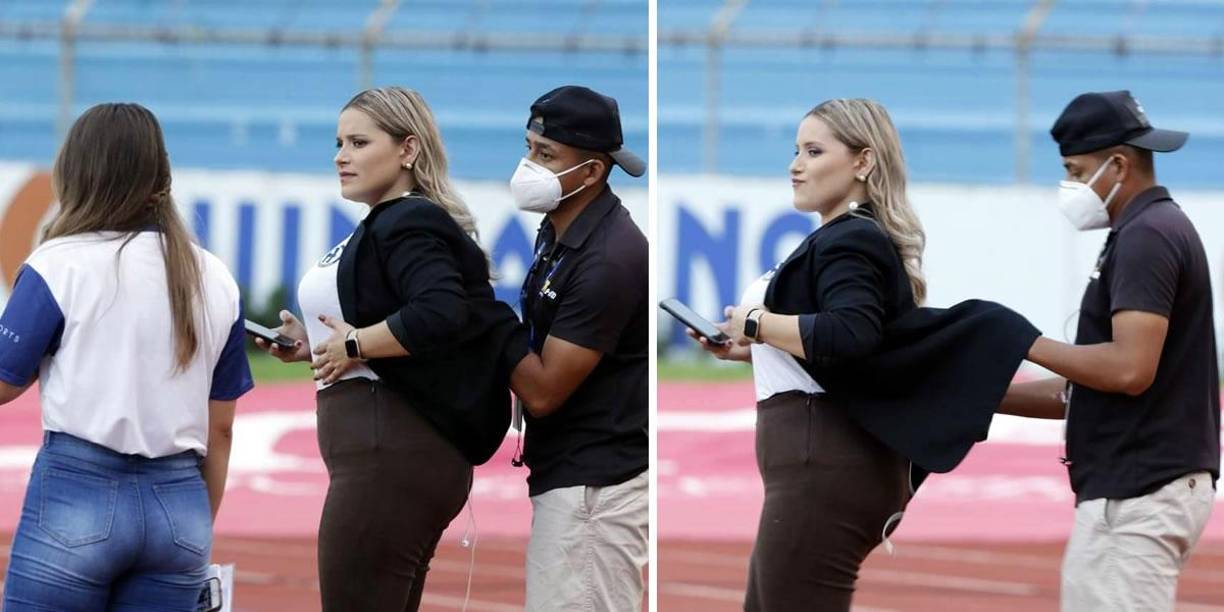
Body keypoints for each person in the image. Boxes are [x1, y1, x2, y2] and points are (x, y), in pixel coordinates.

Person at [689, 98, 1040, 611]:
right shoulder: (841, 236)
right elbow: (838, 351)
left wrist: (757, 323)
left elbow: (851, 334)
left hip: (823, 466)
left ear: (862, 162)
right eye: (796, 150)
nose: (795, 164)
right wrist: (750, 348)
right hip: (819, 463)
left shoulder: (849, 239)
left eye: (813, 150)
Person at [253, 86, 525, 612]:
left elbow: (440, 310)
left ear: (407, 150)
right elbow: (394, 322)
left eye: (358, 141)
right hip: (392, 453)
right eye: (338, 142)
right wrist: (318, 345)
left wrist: (353, 343)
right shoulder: (388, 221)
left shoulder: (407, 219)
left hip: (390, 454)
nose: (341, 155)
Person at [0, 103, 251, 611]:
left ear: (76, 172)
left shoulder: (58, 264)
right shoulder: (214, 276)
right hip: (180, 506)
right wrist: (197, 526)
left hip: (77, 494)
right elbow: (220, 430)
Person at [998, 90, 1218, 612]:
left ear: (1117, 164)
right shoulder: (1147, 230)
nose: (1071, 186)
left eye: (1076, 171)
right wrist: (982, 393)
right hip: (1141, 486)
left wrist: (1024, 341)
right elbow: (1090, 387)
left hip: (1138, 493)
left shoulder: (1148, 235)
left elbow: (1128, 370)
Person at [506, 85, 648, 612]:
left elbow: (543, 392)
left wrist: (483, 320)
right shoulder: (560, 229)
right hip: (572, 475)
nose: (528, 166)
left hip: (595, 489)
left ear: (591, 172)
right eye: (529, 148)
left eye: (546, 156)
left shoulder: (610, 256)